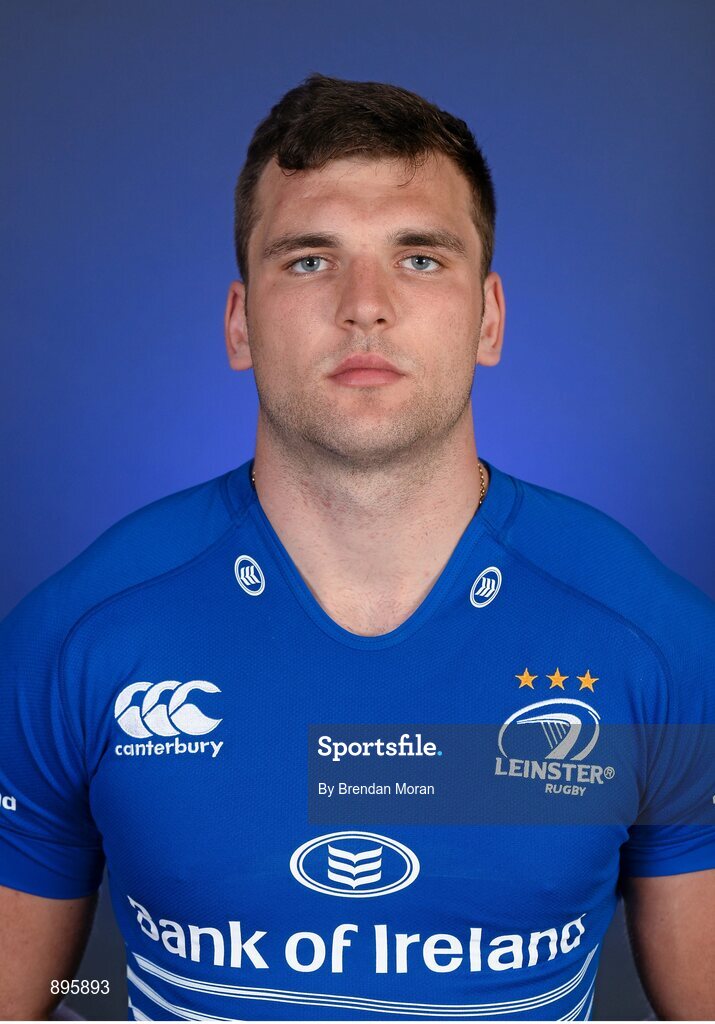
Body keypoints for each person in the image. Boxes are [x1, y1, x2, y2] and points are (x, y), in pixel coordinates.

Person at [0, 72, 713, 1023]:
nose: (364, 306)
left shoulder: (656, 644)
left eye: (418, 258)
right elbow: (25, 1001)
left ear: (489, 318)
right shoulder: (69, 642)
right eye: (308, 260)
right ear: (239, 324)